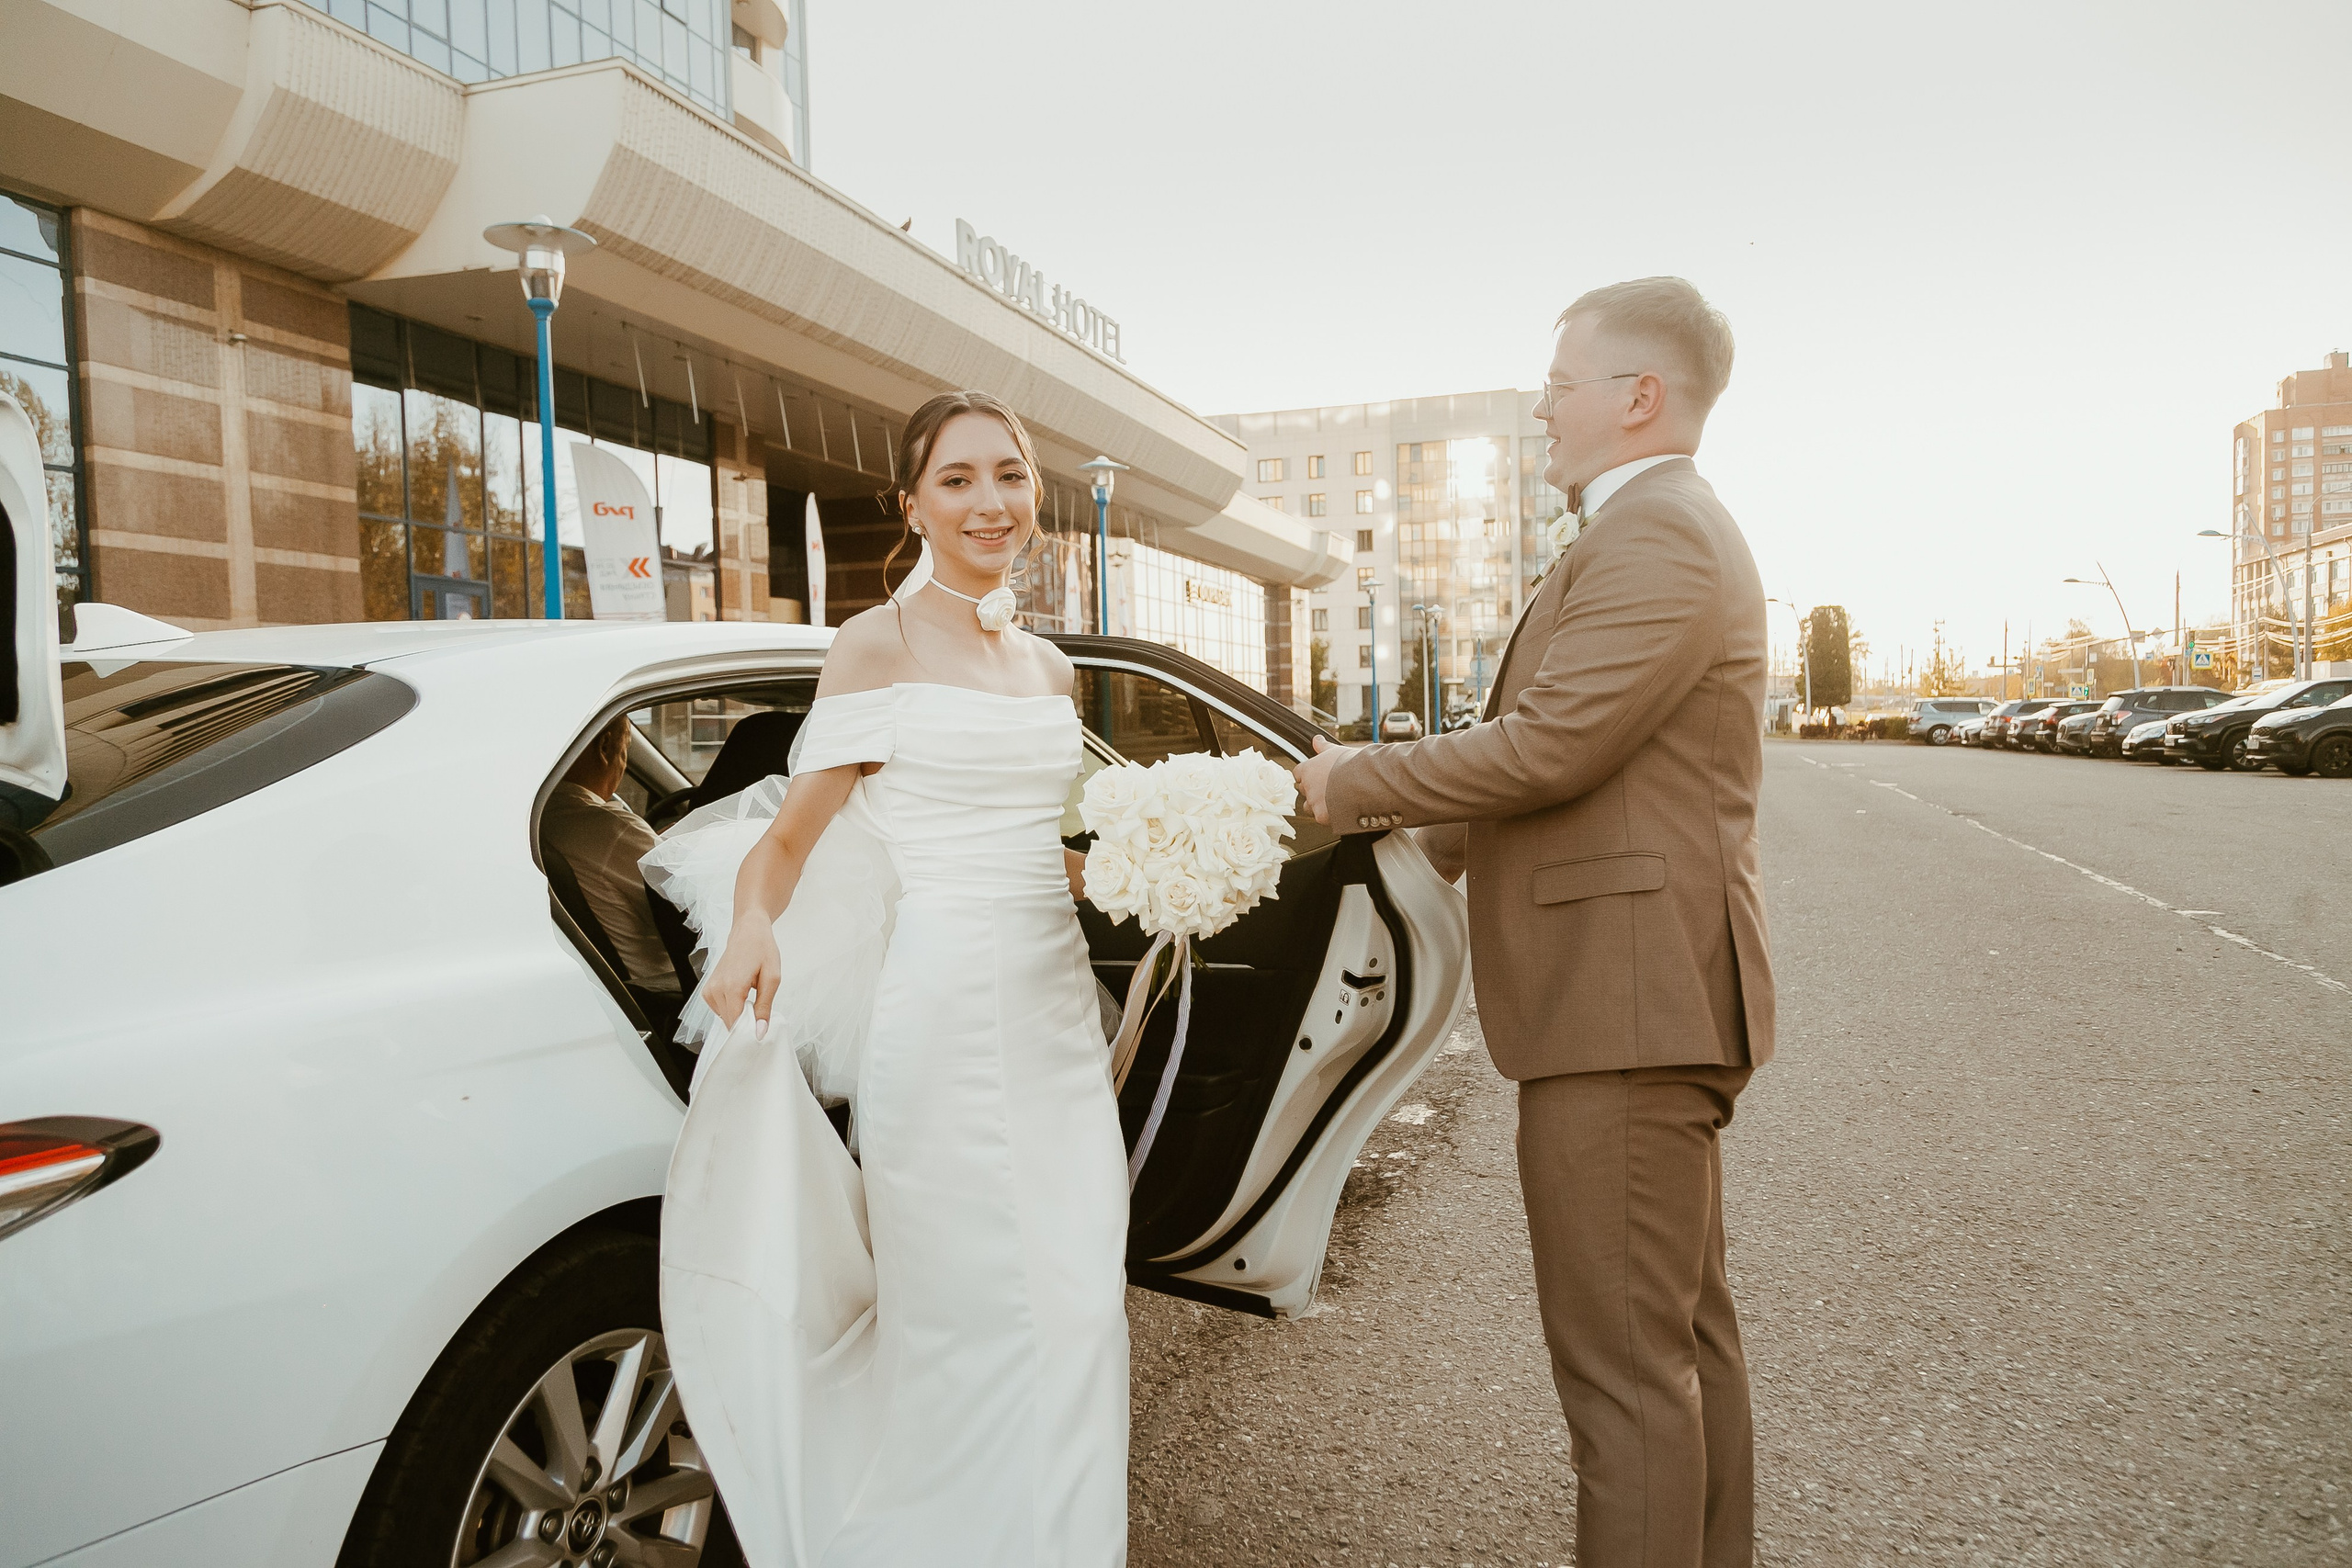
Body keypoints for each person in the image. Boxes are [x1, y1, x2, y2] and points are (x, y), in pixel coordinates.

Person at [1294, 277, 1774, 1568]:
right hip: (1638, 996)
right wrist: (1408, 837)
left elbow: (1553, 745)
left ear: (1640, 397)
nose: (1542, 407)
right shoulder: (1643, 530)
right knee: (1672, 1344)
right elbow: (1575, 754)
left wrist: (1353, 787)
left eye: (1560, 382)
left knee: (1622, 1380)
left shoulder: (1659, 533)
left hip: (1621, 1006)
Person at [651, 391, 1126, 1567]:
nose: (990, 502)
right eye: (957, 479)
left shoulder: (1049, 670)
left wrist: (1148, 868)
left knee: (1076, 1312)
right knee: (968, 1319)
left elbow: (1033, 848)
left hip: (1058, 1022)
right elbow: (785, 844)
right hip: (946, 1022)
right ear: (910, 504)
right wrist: (754, 926)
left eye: (1010, 476)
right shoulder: (876, 646)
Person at [537, 714, 678, 996]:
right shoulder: (611, 828)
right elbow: (688, 905)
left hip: (602, 987)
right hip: (660, 987)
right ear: (605, 747)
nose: (623, 766)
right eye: (625, 751)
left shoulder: (542, 821)